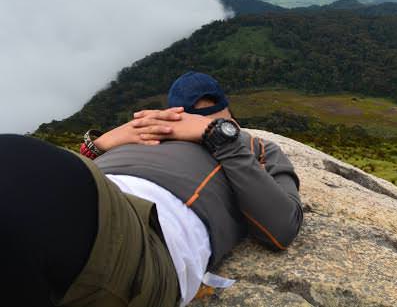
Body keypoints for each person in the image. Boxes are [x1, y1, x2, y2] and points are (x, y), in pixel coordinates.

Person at [0, 71, 303, 307]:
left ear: (232, 121)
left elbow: (282, 226)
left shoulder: (254, 146)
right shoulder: (144, 133)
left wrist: (220, 138)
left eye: (216, 120)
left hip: (142, 237)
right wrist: (98, 146)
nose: (200, 123)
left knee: (12, 155)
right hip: (92, 196)